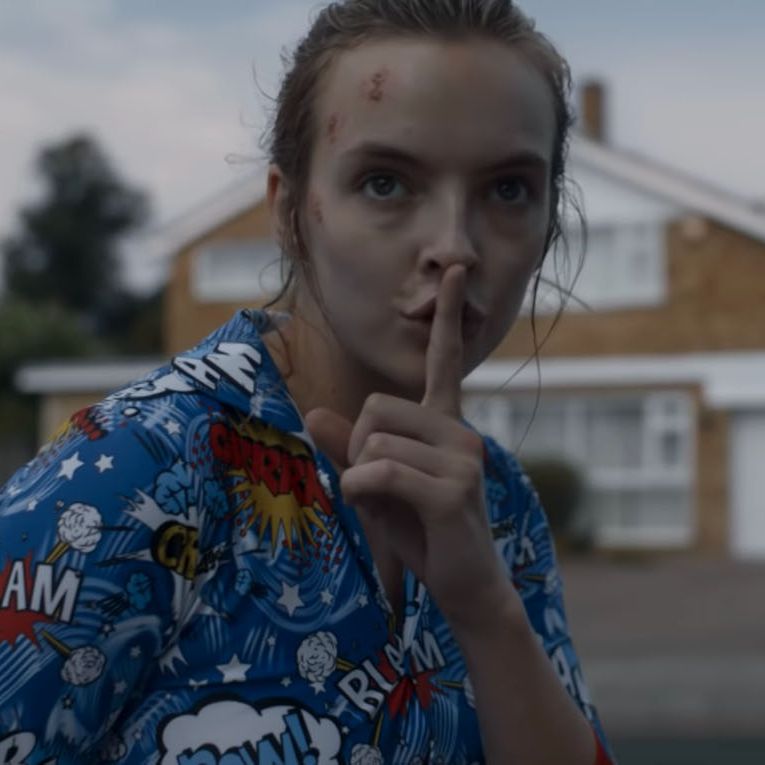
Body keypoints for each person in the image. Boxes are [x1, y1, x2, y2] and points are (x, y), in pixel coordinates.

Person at [0, 1, 615, 762]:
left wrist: (487, 609)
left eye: (509, 189)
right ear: (289, 211)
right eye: (386, 183)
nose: (454, 246)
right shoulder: (138, 471)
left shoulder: (496, 500)